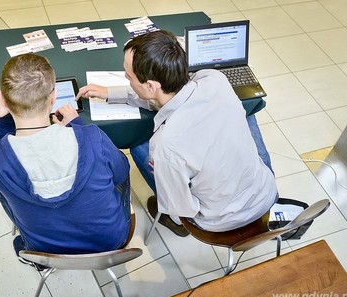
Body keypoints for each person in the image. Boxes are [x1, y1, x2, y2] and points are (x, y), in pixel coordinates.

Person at [76, 30, 278, 237]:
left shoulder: (166, 146)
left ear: (151, 85)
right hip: (264, 192)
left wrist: (166, 168)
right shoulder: (214, 79)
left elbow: (180, 208)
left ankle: (177, 226)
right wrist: (112, 93)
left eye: (128, 76)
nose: (127, 79)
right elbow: (172, 96)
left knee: (139, 148)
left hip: (222, 220)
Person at [0, 53, 132, 255]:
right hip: (111, 241)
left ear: (5, 101)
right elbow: (121, 173)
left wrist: (3, 116)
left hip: (43, 250)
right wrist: (77, 125)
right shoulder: (93, 138)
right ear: (53, 96)